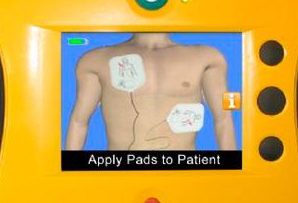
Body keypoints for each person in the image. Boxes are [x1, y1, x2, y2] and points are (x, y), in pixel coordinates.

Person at [65, 33, 236, 151]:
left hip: (184, 173)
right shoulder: (95, 60)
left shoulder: (207, 58)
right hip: (120, 173)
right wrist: (70, 177)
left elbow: (223, 117)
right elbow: (79, 121)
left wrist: (232, 175)